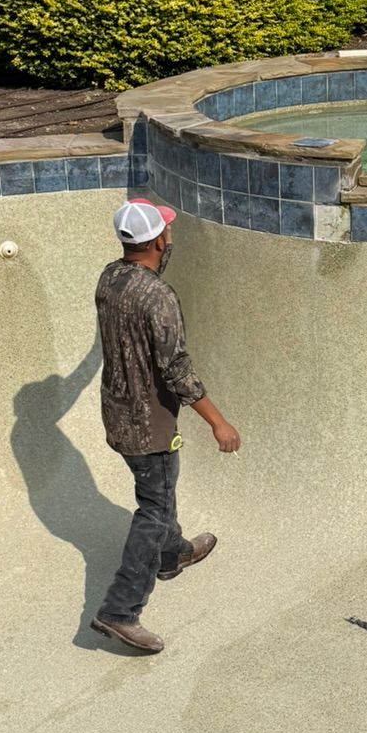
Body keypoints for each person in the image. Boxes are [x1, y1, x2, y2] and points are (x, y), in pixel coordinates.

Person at [90, 200, 240, 654]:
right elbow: (176, 369)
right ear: (158, 242)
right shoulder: (158, 297)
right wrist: (219, 423)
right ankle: (119, 611)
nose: (169, 238)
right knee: (153, 508)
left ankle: (172, 555)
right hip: (147, 422)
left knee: (161, 487)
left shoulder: (109, 278)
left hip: (116, 410)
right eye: (167, 233)